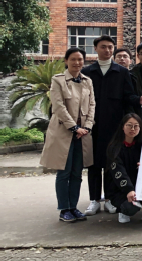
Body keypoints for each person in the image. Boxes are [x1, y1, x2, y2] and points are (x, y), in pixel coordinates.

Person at [82, 35, 139, 217]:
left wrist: (139, 101)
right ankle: (94, 200)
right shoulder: (87, 72)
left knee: (111, 163)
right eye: (103, 47)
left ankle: (108, 199)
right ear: (95, 49)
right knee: (93, 164)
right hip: (92, 126)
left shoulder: (121, 72)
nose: (107, 50)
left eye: (110, 47)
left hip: (114, 127)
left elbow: (129, 97)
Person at [40, 47, 95, 223]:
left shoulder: (87, 81)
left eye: (80, 59)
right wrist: (74, 127)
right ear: (66, 61)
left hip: (82, 134)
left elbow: (92, 105)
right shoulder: (58, 80)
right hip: (64, 132)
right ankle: (64, 209)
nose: (77, 63)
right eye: (73, 59)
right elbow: (58, 106)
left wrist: (87, 127)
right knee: (64, 172)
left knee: (77, 173)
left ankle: (73, 207)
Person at [104, 113, 142, 224]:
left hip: (139, 184)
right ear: (123, 127)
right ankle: (122, 211)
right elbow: (118, 171)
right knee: (130, 208)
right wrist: (129, 189)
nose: (132, 129)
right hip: (119, 188)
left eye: (136, 126)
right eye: (129, 125)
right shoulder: (114, 147)